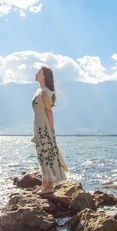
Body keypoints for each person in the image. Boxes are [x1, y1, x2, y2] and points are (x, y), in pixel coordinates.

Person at [32, 66, 68, 195]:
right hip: (38, 123)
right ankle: (44, 184)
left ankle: (50, 186)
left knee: (47, 152)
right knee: (41, 153)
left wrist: (51, 129)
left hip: (44, 124)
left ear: (44, 76)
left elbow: (49, 111)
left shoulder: (45, 92)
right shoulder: (39, 90)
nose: (36, 73)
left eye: (39, 72)